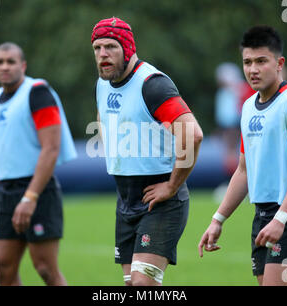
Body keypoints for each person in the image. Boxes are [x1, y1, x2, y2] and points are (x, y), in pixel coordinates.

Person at [198, 26, 287, 286]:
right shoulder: (247, 107)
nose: (253, 69)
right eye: (247, 62)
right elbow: (244, 171)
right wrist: (217, 220)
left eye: (261, 61)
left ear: (279, 63)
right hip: (263, 217)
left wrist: (281, 219)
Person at [91, 17, 203, 286]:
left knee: (144, 285)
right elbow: (103, 117)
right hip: (126, 198)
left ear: (128, 48)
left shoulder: (152, 84)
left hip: (160, 200)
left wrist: (172, 186)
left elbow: (192, 134)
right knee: (132, 285)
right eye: (97, 48)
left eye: (110, 47)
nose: (102, 55)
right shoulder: (102, 83)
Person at [0, 42, 77, 286]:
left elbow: (50, 149)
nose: (5, 67)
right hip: (6, 192)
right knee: (3, 268)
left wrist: (30, 198)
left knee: (45, 269)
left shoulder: (37, 92)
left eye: (11, 61)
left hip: (37, 190)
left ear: (23, 65)